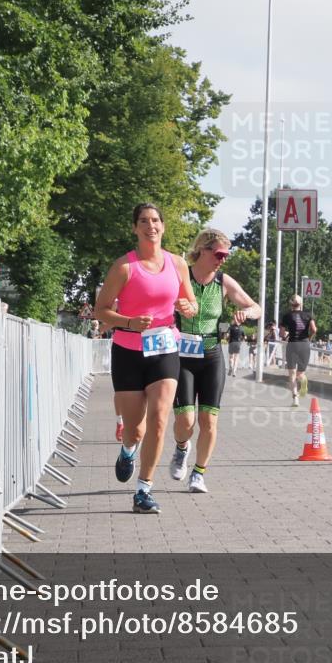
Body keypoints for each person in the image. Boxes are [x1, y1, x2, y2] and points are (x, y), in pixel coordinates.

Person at [95, 203, 197, 514]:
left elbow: (190, 302)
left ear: (163, 226)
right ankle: (128, 450)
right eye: (143, 221)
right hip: (127, 351)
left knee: (159, 419)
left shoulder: (177, 264)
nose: (150, 226)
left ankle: (144, 489)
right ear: (135, 228)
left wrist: (188, 308)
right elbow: (101, 311)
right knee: (135, 429)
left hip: (164, 349)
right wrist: (128, 322)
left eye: (155, 220)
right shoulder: (124, 267)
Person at [170, 229, 260, 493]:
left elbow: (256, 307)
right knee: (186, 422)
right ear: (203, 250)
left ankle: (198, 473)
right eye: (219, 254)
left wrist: (246, 312)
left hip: (211, 355)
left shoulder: (223, 281)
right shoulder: (180, 275)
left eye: (226, 256)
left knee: (209, 420)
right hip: (182, 355)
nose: (222, 260)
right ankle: (181, 448)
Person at [279, 294, 317, 407]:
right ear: (301, 304)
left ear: (291, 304)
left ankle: (295, 398)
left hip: (292, 345)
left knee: (292, 373)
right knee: (300, 373)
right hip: (304, 345)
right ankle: (303, 380)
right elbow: (314, 329)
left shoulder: (286, 316)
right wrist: (309, 338)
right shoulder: (308, 315)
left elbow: (281, 333)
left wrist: (285, 336)